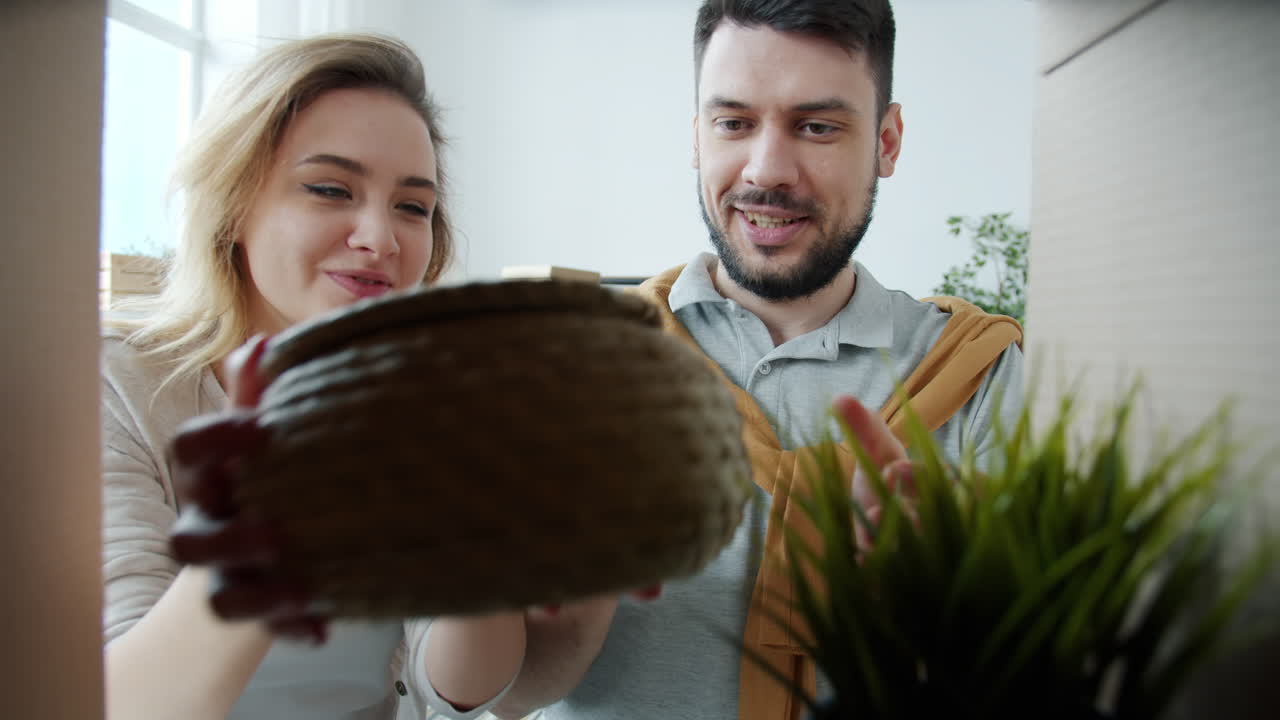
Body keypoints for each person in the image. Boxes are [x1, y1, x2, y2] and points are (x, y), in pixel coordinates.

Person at [169, 2, 1023, 720]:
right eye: (734, 122)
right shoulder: (566, 363)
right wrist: (541, 591)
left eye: (817, 126)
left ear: (889, 140)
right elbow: (470, 698)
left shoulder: (984, 378)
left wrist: (942, 615)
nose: (767, 168)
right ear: (696, 135)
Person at [99, 32, 491, 719]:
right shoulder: (115, 386)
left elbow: (460, 689)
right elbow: (126, 705)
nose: (381, 237)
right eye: (330, 189)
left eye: (412, 206)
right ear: (232, 203)